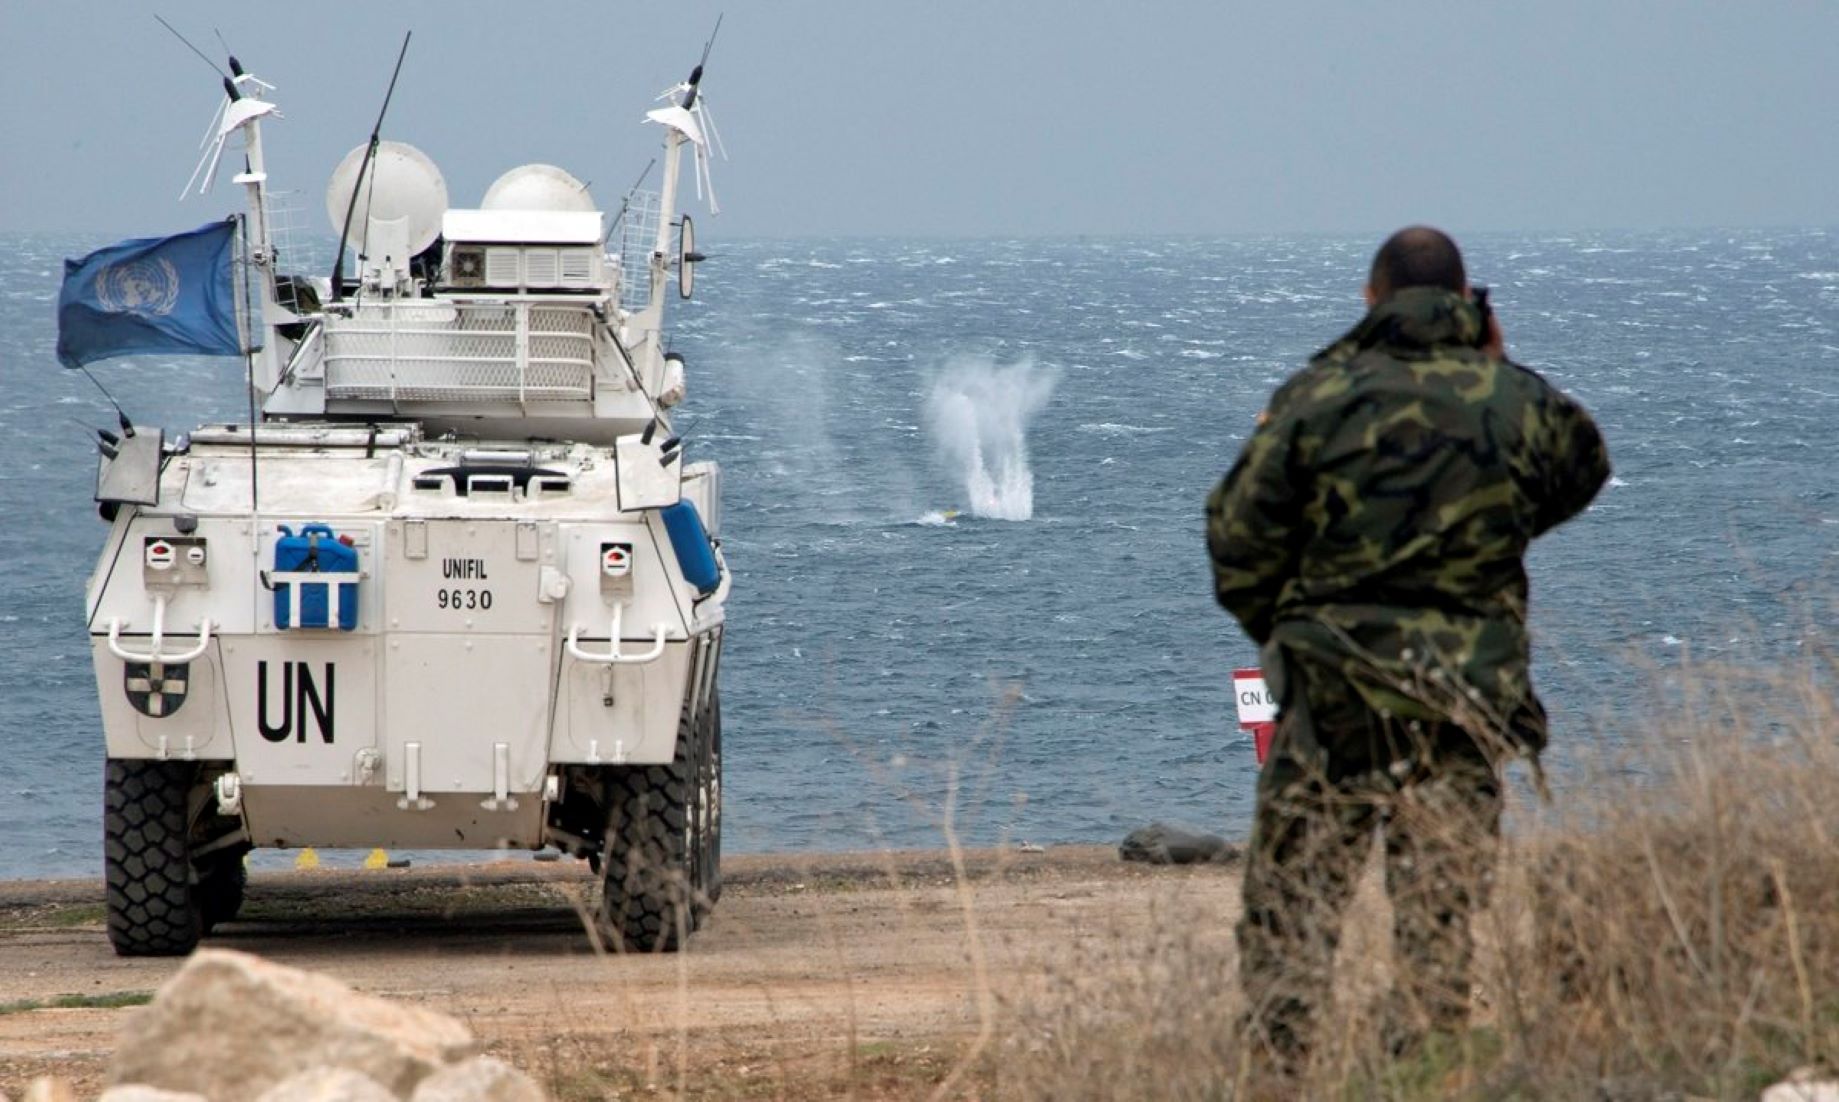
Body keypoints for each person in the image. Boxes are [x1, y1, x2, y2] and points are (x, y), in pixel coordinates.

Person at [1206, 226, 1610, 1068]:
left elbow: (1236, 541)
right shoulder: (1511, 402)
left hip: (1329, 705)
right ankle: (1420, 1082)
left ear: (1370, 299)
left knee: (1291, 915)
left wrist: (1292, 636)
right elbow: (1581, 465)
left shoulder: (1314, 397)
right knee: (1437, 926)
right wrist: (1494, 374)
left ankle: (1278, 1083)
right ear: (1468, 305)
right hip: (1462, 706)